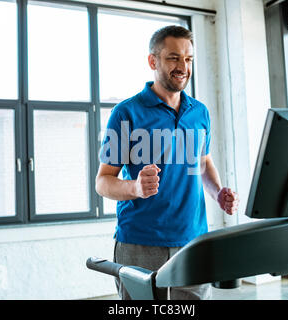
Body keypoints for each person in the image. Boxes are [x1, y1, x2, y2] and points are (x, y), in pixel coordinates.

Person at [96, 25, 239, 300]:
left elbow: (202, 161)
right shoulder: (126, 112)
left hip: (193, 241)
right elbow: (103, 182)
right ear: (153, 61)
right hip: (139, 244)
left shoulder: (199, 112)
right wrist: (135, 188)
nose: (182, 66)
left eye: (188, 59)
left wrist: (218, 192)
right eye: (173, 57)